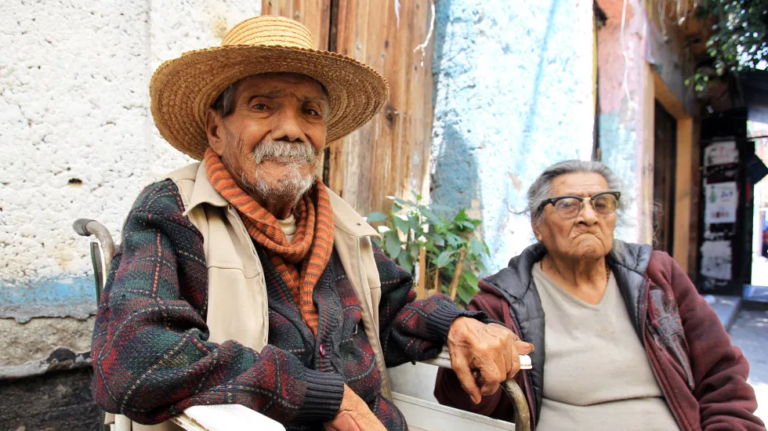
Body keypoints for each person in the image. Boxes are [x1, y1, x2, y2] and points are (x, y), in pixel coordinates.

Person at [90, 16, 532, 431]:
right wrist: (321, 396)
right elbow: (133, 359)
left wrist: (455, 325)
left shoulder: (336, 220)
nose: (291, 129)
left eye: (310, 112)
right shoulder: (174, 210)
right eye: (262, 106)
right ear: (215, 129)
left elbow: (393, 310)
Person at [434, 160, 765, 430]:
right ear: (538, 224)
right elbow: (464, 403)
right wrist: (481, 371)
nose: (589, 217)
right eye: (568, 205)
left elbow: (722, 374)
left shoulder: (657, 276)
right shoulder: (502, 299)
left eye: (602, 203)